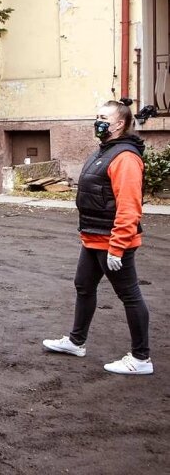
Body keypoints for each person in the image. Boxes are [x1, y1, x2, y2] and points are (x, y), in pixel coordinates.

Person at [43, 98, 153, 375]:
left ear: (119, 124)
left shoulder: (125, 157)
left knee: (129, 295)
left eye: (103, 117)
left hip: (112, 242)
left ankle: (141, 359)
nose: (98, 121)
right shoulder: (105, 151)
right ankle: (76, 342)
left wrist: (118, 247)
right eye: (97, 116)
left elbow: (129, 207)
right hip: (93, 237)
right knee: (83, 286)